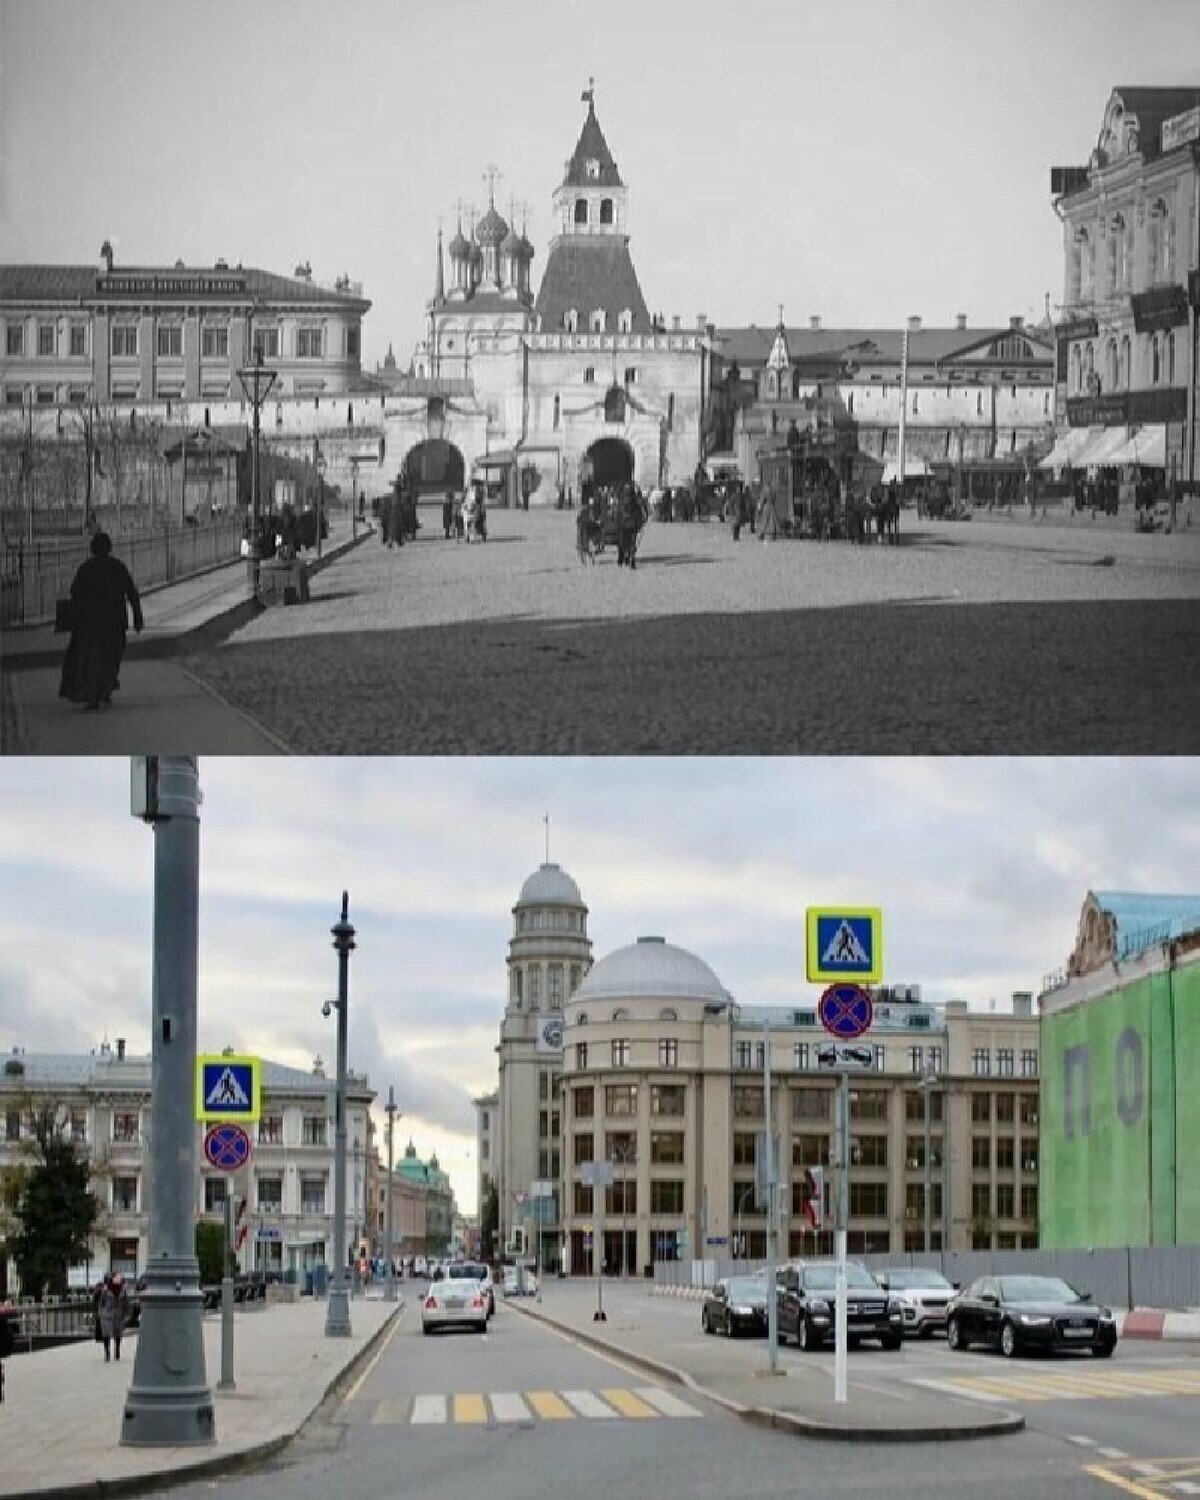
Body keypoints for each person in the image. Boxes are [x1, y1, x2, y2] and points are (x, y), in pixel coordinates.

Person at [58, 531, 144, 711]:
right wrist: (138, 617)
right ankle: (105, 689)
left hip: (91, 623)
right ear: (109, 548)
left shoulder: (86, 568)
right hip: (115, 622)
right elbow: (132, 593)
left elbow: (75, 592)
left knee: (91, 659)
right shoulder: (118, 567)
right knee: (111, 658)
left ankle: (93, 696)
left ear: (93, 549)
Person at [97, 1272, 130, 1362]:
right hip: (107, 1315)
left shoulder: (123, 1290)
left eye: (121, 1277)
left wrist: (127, 1313)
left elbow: (126, 1303)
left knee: (118, 1334)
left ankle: (117, 1349)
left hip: (119, 1315)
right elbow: (101, 1302)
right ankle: (107, 1352)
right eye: (118, 1277)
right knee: (106, 1334)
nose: (120, 1278)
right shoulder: (105, 1290)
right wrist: (100, 1313)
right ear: (113, 1278)